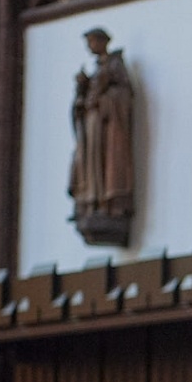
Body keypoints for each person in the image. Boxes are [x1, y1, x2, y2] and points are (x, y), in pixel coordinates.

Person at [68, 27, 135, 243]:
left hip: (107, 126)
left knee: (107, 165)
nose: (89, 47)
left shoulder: (115, 65)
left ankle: (109, 204)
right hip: (92, 126)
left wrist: (104, 101)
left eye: (91, 42)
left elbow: (124, 95)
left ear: (102, 41)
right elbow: (86, 100)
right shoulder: (98, 69)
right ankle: (90, 203)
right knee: (89, 164)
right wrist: (82, 91)